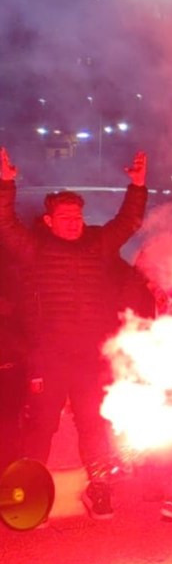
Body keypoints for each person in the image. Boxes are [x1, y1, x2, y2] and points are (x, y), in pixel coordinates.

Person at [0, 147, 147, 519]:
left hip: (90, 358)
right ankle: (29, 494)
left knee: (93, 427)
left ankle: (99, 490)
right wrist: (5, 183)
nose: (73, 222)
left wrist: (138, 185)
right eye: (65, 216)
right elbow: (4, 223)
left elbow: (128, 223)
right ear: (48, 221)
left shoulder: (97, 245)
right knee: (41, 428)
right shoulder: (33, 249)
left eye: (78, 215)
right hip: (48, 359)